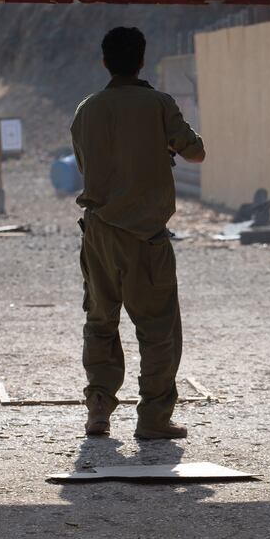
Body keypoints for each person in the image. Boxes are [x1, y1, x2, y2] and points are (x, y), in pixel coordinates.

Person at [71, 26, 206, 439]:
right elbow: (196, 152)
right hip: (145, 235)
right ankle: (153, 418)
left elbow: (85, 165)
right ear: (142, 60)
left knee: (100, 320)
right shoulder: (159, 103)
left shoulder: (87, 109)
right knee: (158, 329)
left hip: (98, 232)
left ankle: (99, 408)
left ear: (104, 61)